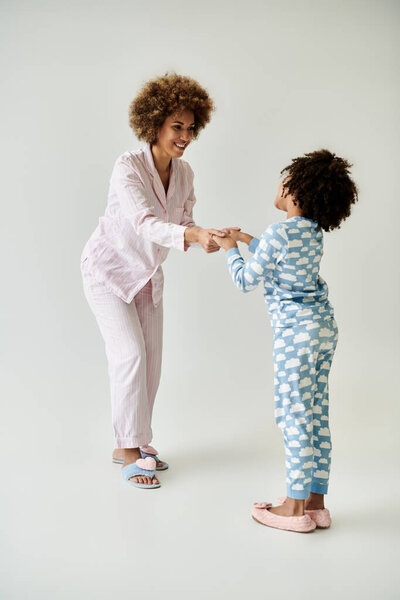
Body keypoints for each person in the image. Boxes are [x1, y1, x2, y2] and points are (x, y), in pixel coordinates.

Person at [81, 73, 227, 489]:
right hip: (107, 272)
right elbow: (146, 224)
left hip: (147, 276)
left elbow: (183, 224)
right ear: (155, 124)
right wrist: (191, 236)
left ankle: (139, 440)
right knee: (129, 354)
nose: (185, 136)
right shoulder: (127, 166)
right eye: (177, 127)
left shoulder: (185, 174)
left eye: (190, 127)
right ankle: (124, 447)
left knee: (152, 362)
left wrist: (207, 237)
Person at [212, 149, 358, 532]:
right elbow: (285, 258)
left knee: (293, 414)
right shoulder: (312, 233)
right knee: (315, 414)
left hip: (296, 335)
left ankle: (293, 509)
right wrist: (246, 238)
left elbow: (246, 280)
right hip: (323, 330)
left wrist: (231, 251)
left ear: (296, 191)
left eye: (287, 179)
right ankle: (316, 503)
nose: (281, 183)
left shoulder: (280, 233)